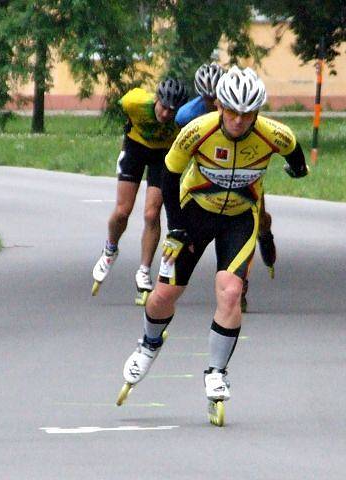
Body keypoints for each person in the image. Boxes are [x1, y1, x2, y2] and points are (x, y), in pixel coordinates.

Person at [116, 67, 308, 425]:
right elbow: (168, 175)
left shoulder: (274, 134)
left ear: (257, 112)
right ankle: (149, 344)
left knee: (231, 291)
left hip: (240, 218)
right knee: (162, 297)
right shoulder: (196, 132)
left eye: (247, 113)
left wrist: (297, 169)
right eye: (231, 111)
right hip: (193, 214)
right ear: (219, 105)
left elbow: (295, 153)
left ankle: (217, 372)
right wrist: (175, 229)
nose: (238, 120)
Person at [176, 63, 277, 312]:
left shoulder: (244, 114)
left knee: (257, 218)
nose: (214, 105)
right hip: (209, 175)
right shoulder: (187, 116)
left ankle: (264, 236)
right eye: (209, 100)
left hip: (244, 174)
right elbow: (181, 151)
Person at [91, 79, 188, 306]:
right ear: (156, 99)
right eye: (163, 107)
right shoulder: (135, 101)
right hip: (135, 149)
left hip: (162, 156)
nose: (165, 114)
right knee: (123, 211)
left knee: (152, 214)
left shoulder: (183, 121)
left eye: (172, 111)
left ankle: (144, 271)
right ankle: (110, 250)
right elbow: (120, 107)